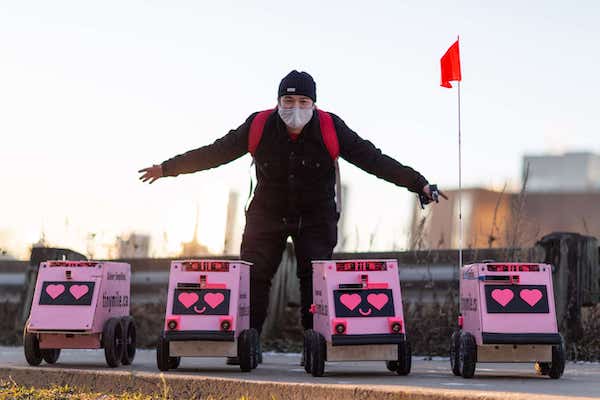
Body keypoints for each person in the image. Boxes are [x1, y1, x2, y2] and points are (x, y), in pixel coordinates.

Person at [139, 70, 444, 361]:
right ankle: (248, 340)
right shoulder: (258, 125)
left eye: (303, 103)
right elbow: (216, 151)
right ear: (278, 102)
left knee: (314, 279)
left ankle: (315, 344)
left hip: (316, 215)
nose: (295, 109)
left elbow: (374, 159)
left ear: (314, 104)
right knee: (253, 277)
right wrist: (168, 168)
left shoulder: (330, 128)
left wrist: (418, 183)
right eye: (288, 102)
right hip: (266, 212)